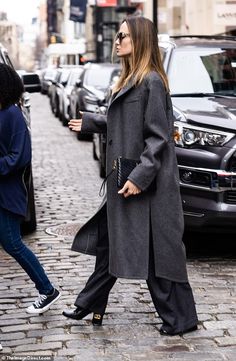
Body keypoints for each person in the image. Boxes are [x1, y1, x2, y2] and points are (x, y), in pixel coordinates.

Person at [63, 16, 198, 335]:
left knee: (158, 254)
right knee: (110, 242)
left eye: (123, 35)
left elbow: (158, 138)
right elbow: (126, 122)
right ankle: (90, 303)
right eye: (117, 35)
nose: (117, 40)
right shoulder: (130, 81)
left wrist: (140, 178)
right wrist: (94, 122)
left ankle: (181, 319)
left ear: (140, 41)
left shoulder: (151, 81)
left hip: (143, 185)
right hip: (123, 177)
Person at [0, 63, 61, 315]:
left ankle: (47, 290)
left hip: (7, 193)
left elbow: (20, 157)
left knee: (13, 243)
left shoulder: (13, 115)